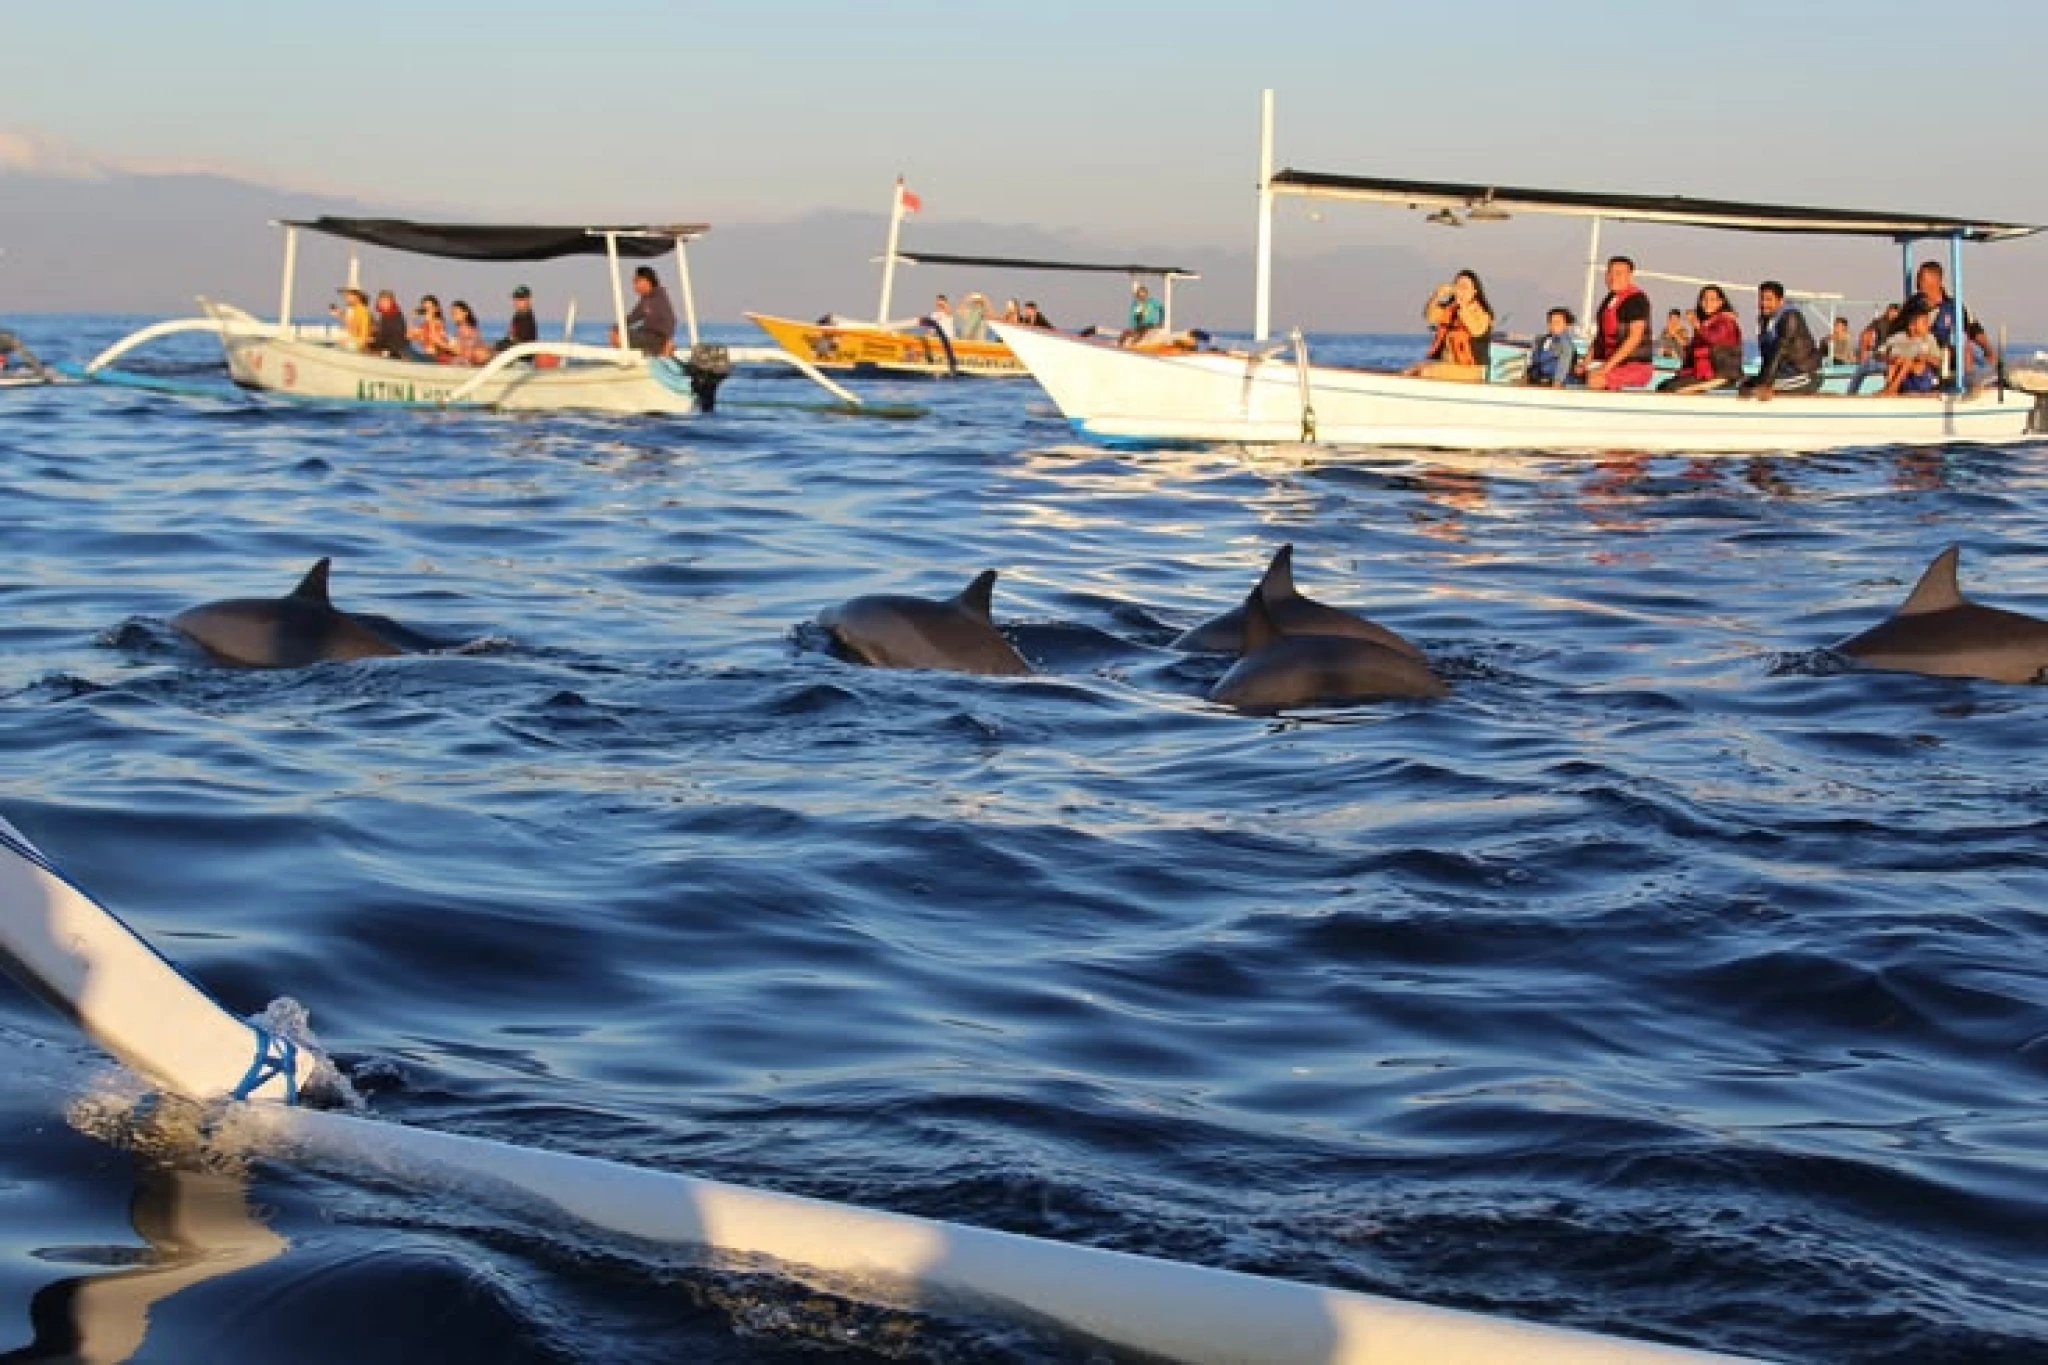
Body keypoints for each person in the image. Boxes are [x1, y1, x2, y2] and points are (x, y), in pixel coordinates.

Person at [1891, 260, 1997, 389]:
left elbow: (1974, 328)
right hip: (1918, 351)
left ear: (1936, 280)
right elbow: (1897, 328)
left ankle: (1965, 386)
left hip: (1945, 355)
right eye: (1918, 277)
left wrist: (1988, 350)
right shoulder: (1913, 303)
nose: (1917, 282)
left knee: (1965, 346)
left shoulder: (1954, 306)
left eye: (1921, 278)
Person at [1405, 269, 1494, 382]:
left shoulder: (1483, 314)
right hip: (1449, 364)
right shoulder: (1450, 309)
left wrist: (1462, 304)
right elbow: (1429, 315)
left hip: (1472, 369)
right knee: (1412, 370)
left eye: (1464, 287)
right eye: (1457, 286)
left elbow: (1476, 330)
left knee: (1426, 372)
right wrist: (1436, 296)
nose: (1460, 290)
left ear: (1474, 291)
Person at [1739, 281, 1822, 399]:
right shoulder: (1764, 320)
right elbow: (1766, 358)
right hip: (1785, 373)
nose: (1763, 303)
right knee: (1746, 384)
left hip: (1806, 375)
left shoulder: (1790, 317)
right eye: (1761, 299)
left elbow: (1779, 352)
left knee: (1755, 388)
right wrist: (1757, 379)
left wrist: (1766, 385)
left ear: (1780, 301)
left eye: (1769, 300)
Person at [1582, 256, 1654, 390]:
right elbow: (1600, 338)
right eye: (1610, 273)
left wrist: (1604, 368)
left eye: (1619, 273)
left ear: (1630, 276)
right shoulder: (1609, 299)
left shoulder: (1636, 300)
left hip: (1635, 367)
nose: (1613, 277)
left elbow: (1634, 338)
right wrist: (1584, 363)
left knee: (1595, 380)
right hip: (1613, 364)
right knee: (1576, 375)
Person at [1658, 284, 1743, 392]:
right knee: (1664, 386)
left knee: (1671, 388)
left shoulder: (1726, 321)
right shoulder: (1705, 324)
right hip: (1700, 373)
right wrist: (1677, 336)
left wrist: (1697, 325)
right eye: (1704, 299)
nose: (1707, 303)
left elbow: (1714, 338)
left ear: (1720, 302)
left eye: (1712, 299)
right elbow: (1693, 352)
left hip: (1721, 375)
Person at [1879, 302, 1944, 395]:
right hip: (1905, 376)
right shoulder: (1898, 338)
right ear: (1911, 325)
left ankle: (1893, 388)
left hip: (1924, 377)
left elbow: (1939, 362)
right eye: (1924, 323)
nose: (1928, 325)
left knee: (1908, 362)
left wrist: (1926, 357)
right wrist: (1890, 358)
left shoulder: (1929, 338)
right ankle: (1888, 386)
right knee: (1895, 362)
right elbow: (1880, 352)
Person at [612, 265, 676, 357]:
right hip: (646, 334)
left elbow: (671, 320)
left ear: (647, 280)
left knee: (620, 335)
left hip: (657, 338)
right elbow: (633, 317)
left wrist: (668, 343)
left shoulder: (659, 296)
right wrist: (616, 327)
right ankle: (633, 355)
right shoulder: (646, 298)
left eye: (637, 281)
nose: (634, 286)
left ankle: (634, 356)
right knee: (616, 332)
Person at [1846, 303, 1902, 394]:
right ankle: (1850, 394)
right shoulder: (1880, 322)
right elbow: (1865, 334)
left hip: (1893, 361)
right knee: (1860, 370)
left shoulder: (1901, 325)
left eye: (1895, 312)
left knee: (1892, 368)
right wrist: (1863, 351)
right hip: (1880, 359)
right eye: (1891, 311)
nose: (1893, 314)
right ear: (1888, 311)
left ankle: (1851, 393)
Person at [1524, 307, 1577, 387]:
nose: (1553, 325)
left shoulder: (1565, 343)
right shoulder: (1541, 340)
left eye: (1557, 322)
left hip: (1556, 382)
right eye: (1551, 322)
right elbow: (1533, 361)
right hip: (1538, 380)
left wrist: (1557, 382)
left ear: (1566, 325)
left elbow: (1564, 362)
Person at [367, 288, 411, 359]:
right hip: (385, 348)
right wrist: (373, 339)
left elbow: (397, 337)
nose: (382, 303)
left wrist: (388, 351)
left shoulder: (395, 316)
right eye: (381, 301)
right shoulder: (384, 315)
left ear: (391, 302)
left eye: (385, 301)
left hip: (394, 353)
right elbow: (382, 335)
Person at [1118, 283, 1164, 347]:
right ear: (1137, 296)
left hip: (1149, 325)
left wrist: (1161, 321)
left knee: (1140, 332)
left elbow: (1162, 308)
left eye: (1143, 295)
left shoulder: (1152, 302)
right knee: (1125, 332)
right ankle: (1119, 346)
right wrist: (1132, 328)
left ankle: (1134, 345)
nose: (1142, 297)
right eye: (1140, 296)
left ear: (1147, 294)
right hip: (1138, 326)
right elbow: (1133, 318)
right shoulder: (1135, 304)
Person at [496, 285, 539, 355]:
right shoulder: (518, 316)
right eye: (515, 299)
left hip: (522, 356)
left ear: (528, 300)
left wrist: (499, 347)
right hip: (515, 353)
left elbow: (521, 342)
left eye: (520, 299)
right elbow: (510, 337)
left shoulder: (526, 318)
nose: (516, 302)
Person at [447, 300, 491, 365]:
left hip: (471, 359)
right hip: (470, 358)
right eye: (452, 313)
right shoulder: (463, 328)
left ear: (465, 313)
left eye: (456, 313)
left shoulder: (466, 328)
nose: (453, 316)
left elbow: (469, 349)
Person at [411, 295, 453, 361]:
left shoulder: (441, 323)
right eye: (425, 309)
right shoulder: (424, 324)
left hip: (436, 357)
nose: (428, 311)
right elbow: (409, 335)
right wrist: (412, 318)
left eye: (430, 308)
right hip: (424, 355)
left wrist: (430, 321)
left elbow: (434, 339)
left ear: (436, 309)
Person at [331, 287, 372, 351]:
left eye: (349, 295)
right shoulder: (353, 309)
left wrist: (349, 341)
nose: (346, 298)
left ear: (357, 297)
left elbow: (363, 336)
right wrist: (341, 315)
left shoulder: (362, 311)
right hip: (354, 342)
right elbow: (351, 327)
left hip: (358, 346)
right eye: (346, 295)